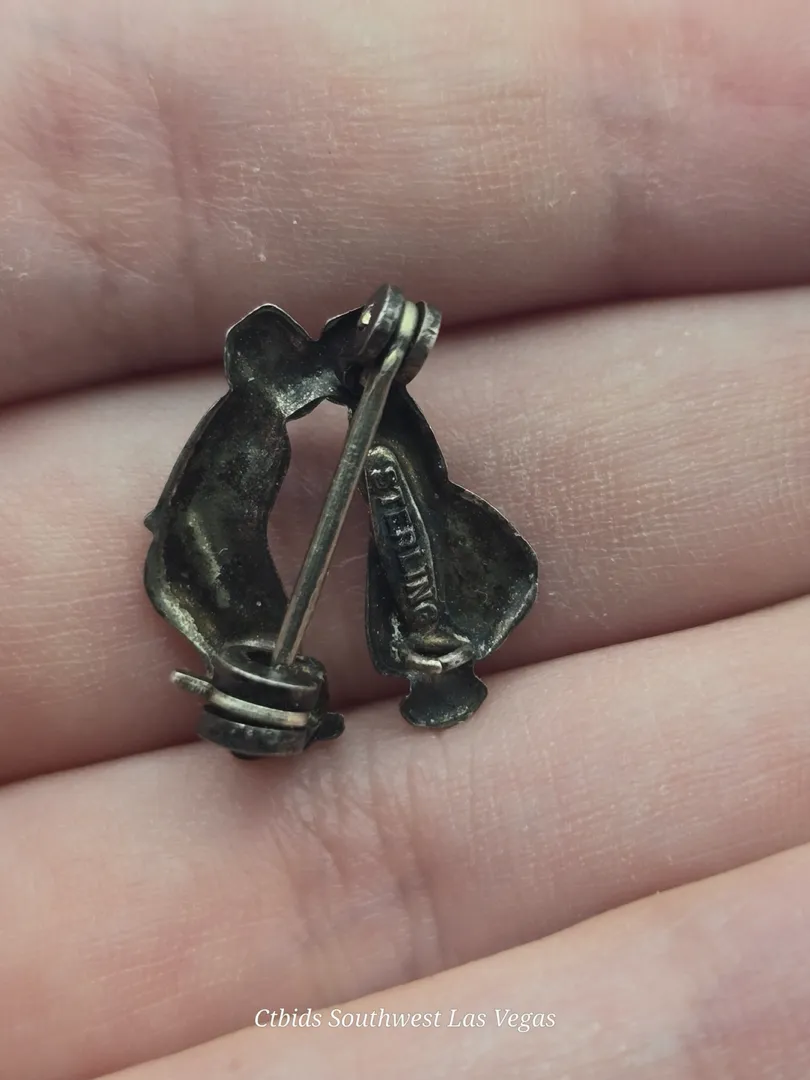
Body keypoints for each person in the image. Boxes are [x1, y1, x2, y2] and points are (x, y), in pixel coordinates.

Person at [0, 1, 808, 1077]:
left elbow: (342, 426)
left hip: (354, 511)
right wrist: (344, 376)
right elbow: (220, 499)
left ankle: (408, 650)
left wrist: (364, 370)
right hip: (266, 537)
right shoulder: (241, 459)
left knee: (391, 494)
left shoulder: (347, 437)